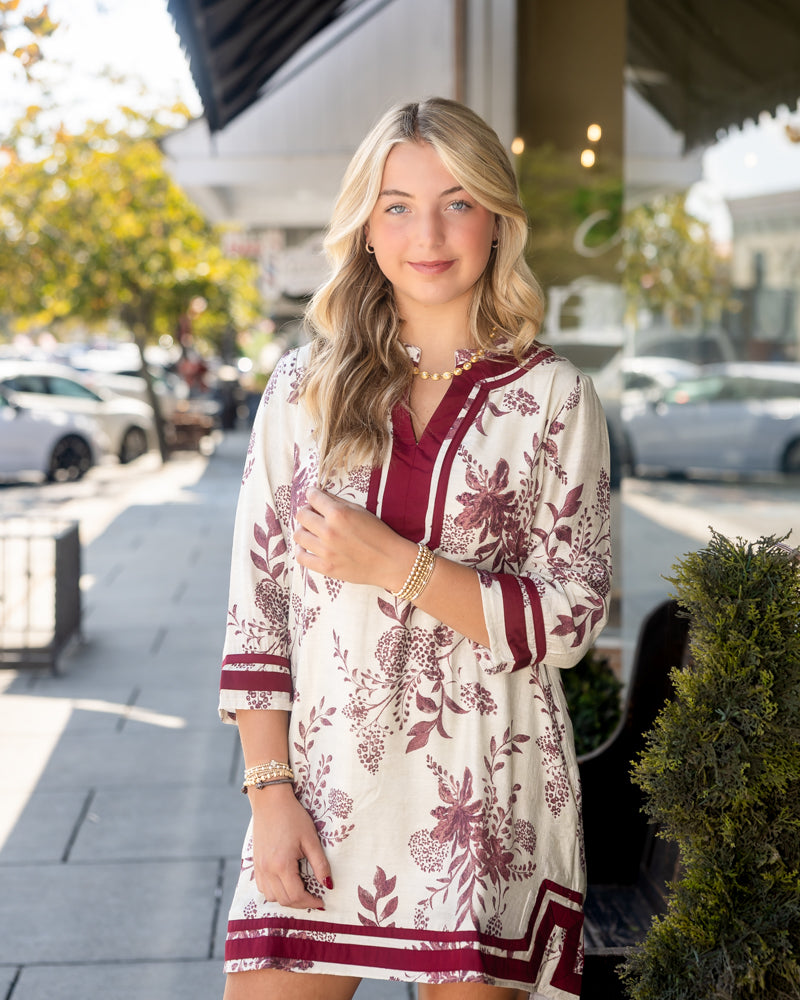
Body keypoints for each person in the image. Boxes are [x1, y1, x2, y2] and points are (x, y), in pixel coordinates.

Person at [219, 97, 612, 1000]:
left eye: (457, 201)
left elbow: (570, 620)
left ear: (497, 220)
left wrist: (395, 564)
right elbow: (257, 612)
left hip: (485, 798)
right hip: (323, 792)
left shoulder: (555, 399)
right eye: (397, 204)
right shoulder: (301, 390)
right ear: (365, 226)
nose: (427, 232)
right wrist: (269, 794)